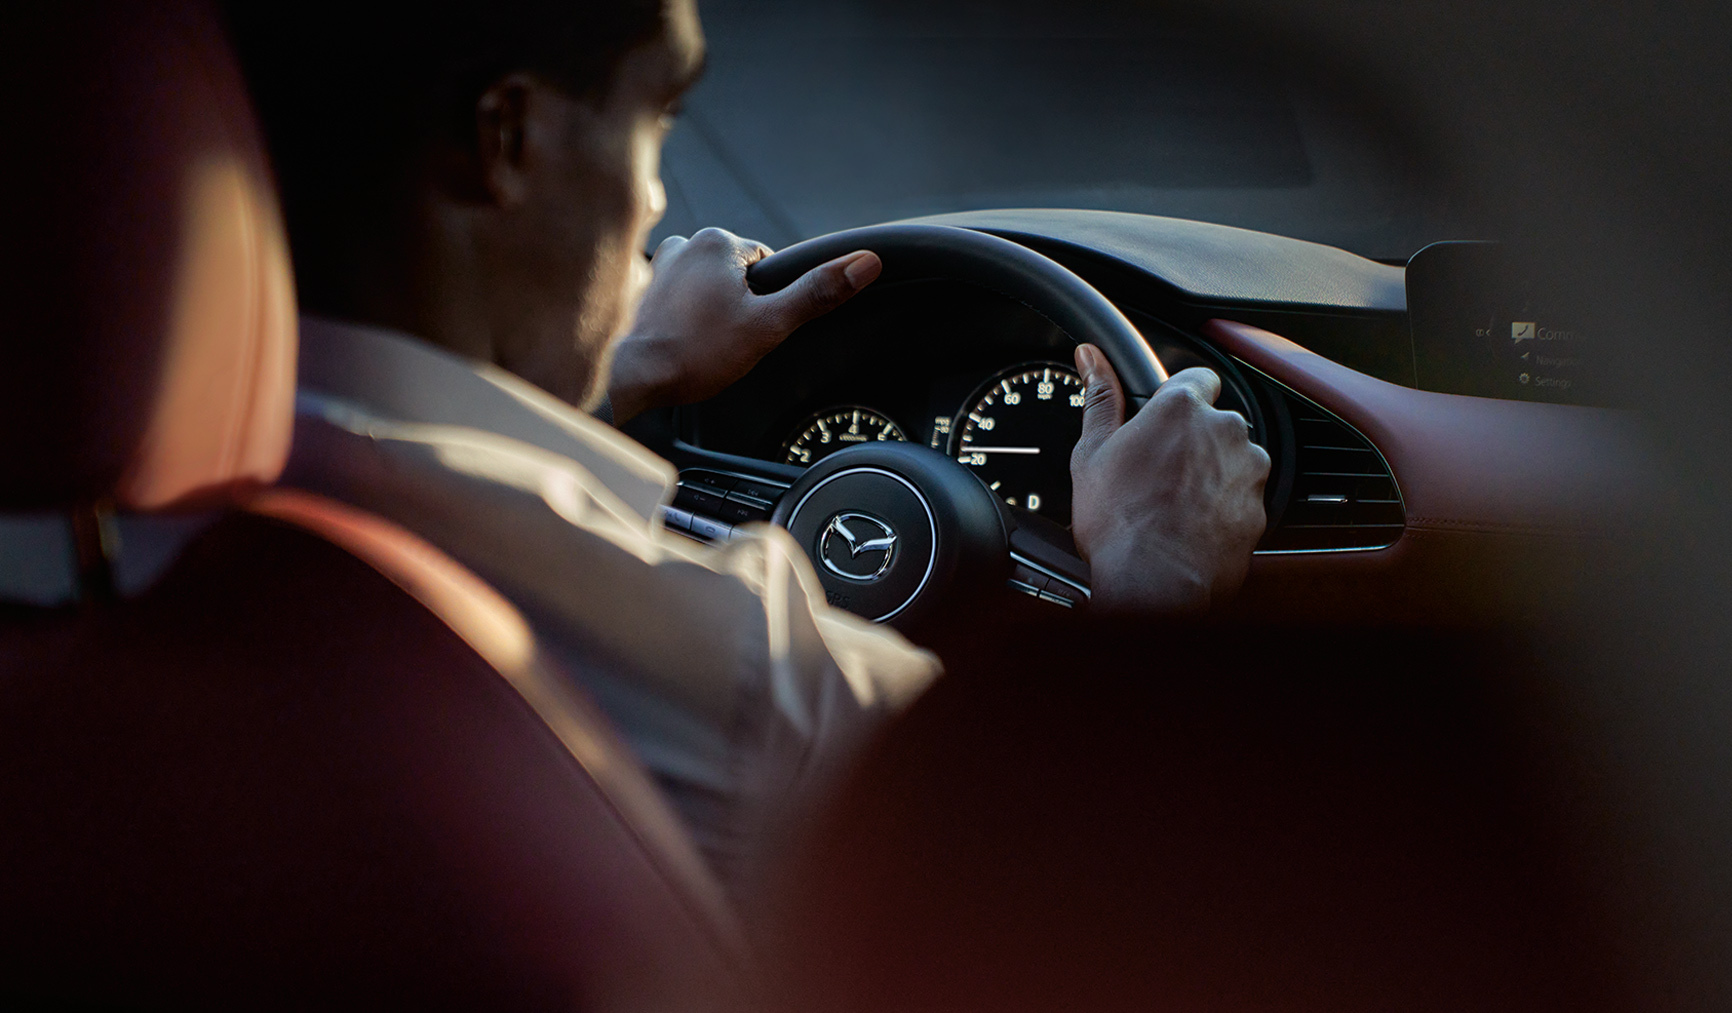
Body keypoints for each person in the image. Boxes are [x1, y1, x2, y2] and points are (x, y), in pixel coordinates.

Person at [224, 0, 1271, 903]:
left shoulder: (130, 509)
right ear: (507, 140)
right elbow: (1075, 877)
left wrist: (622, 369)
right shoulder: (728, 668)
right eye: (658, 119)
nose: (656, 205)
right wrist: (1154, 570)